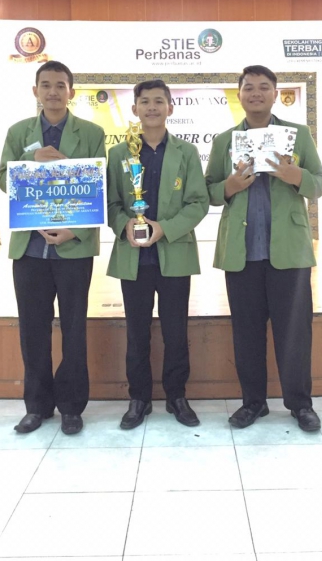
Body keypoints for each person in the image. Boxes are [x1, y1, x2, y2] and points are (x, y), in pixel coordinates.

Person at [205, 65, 322, 432]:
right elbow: (209, 190)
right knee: (246, 332)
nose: (256, 93)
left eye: (264, 87)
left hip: (288, 251)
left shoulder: (297, 135)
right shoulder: (224, 141)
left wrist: (295, 176)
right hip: (241, 251)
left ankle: (300, 404)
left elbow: (320, 183)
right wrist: (229, 186)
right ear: (239, 95)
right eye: (249, 87)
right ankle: (253, 403)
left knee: (295, 332)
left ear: (276, 94)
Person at [0, 60, 105, 435]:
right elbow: (3, 178)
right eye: (46, 85)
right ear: (36, 91)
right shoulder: (19, 133)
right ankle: (37, 406)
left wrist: (75, 231)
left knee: (74, 330)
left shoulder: (91, 133)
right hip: (30, 249)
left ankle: (72, 406)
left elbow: (99, 185)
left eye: (61, 85)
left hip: (73, 249)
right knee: (32, 330)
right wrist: (30, 159)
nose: (53, 91)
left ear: (71, 92)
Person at [107, 79, 209, 430]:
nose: (152, 107)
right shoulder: (119, 154)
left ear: (170, 107)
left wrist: (164, 228)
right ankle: (139, 398)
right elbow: (111, 202)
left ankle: (177, 396)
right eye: (145, 101)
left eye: (159, 101)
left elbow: (198, 202)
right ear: (134, 108)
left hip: (173, 253)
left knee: (176, 332)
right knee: (136, 332)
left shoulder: (186, 152)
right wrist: (125, 225)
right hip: (133, 256)